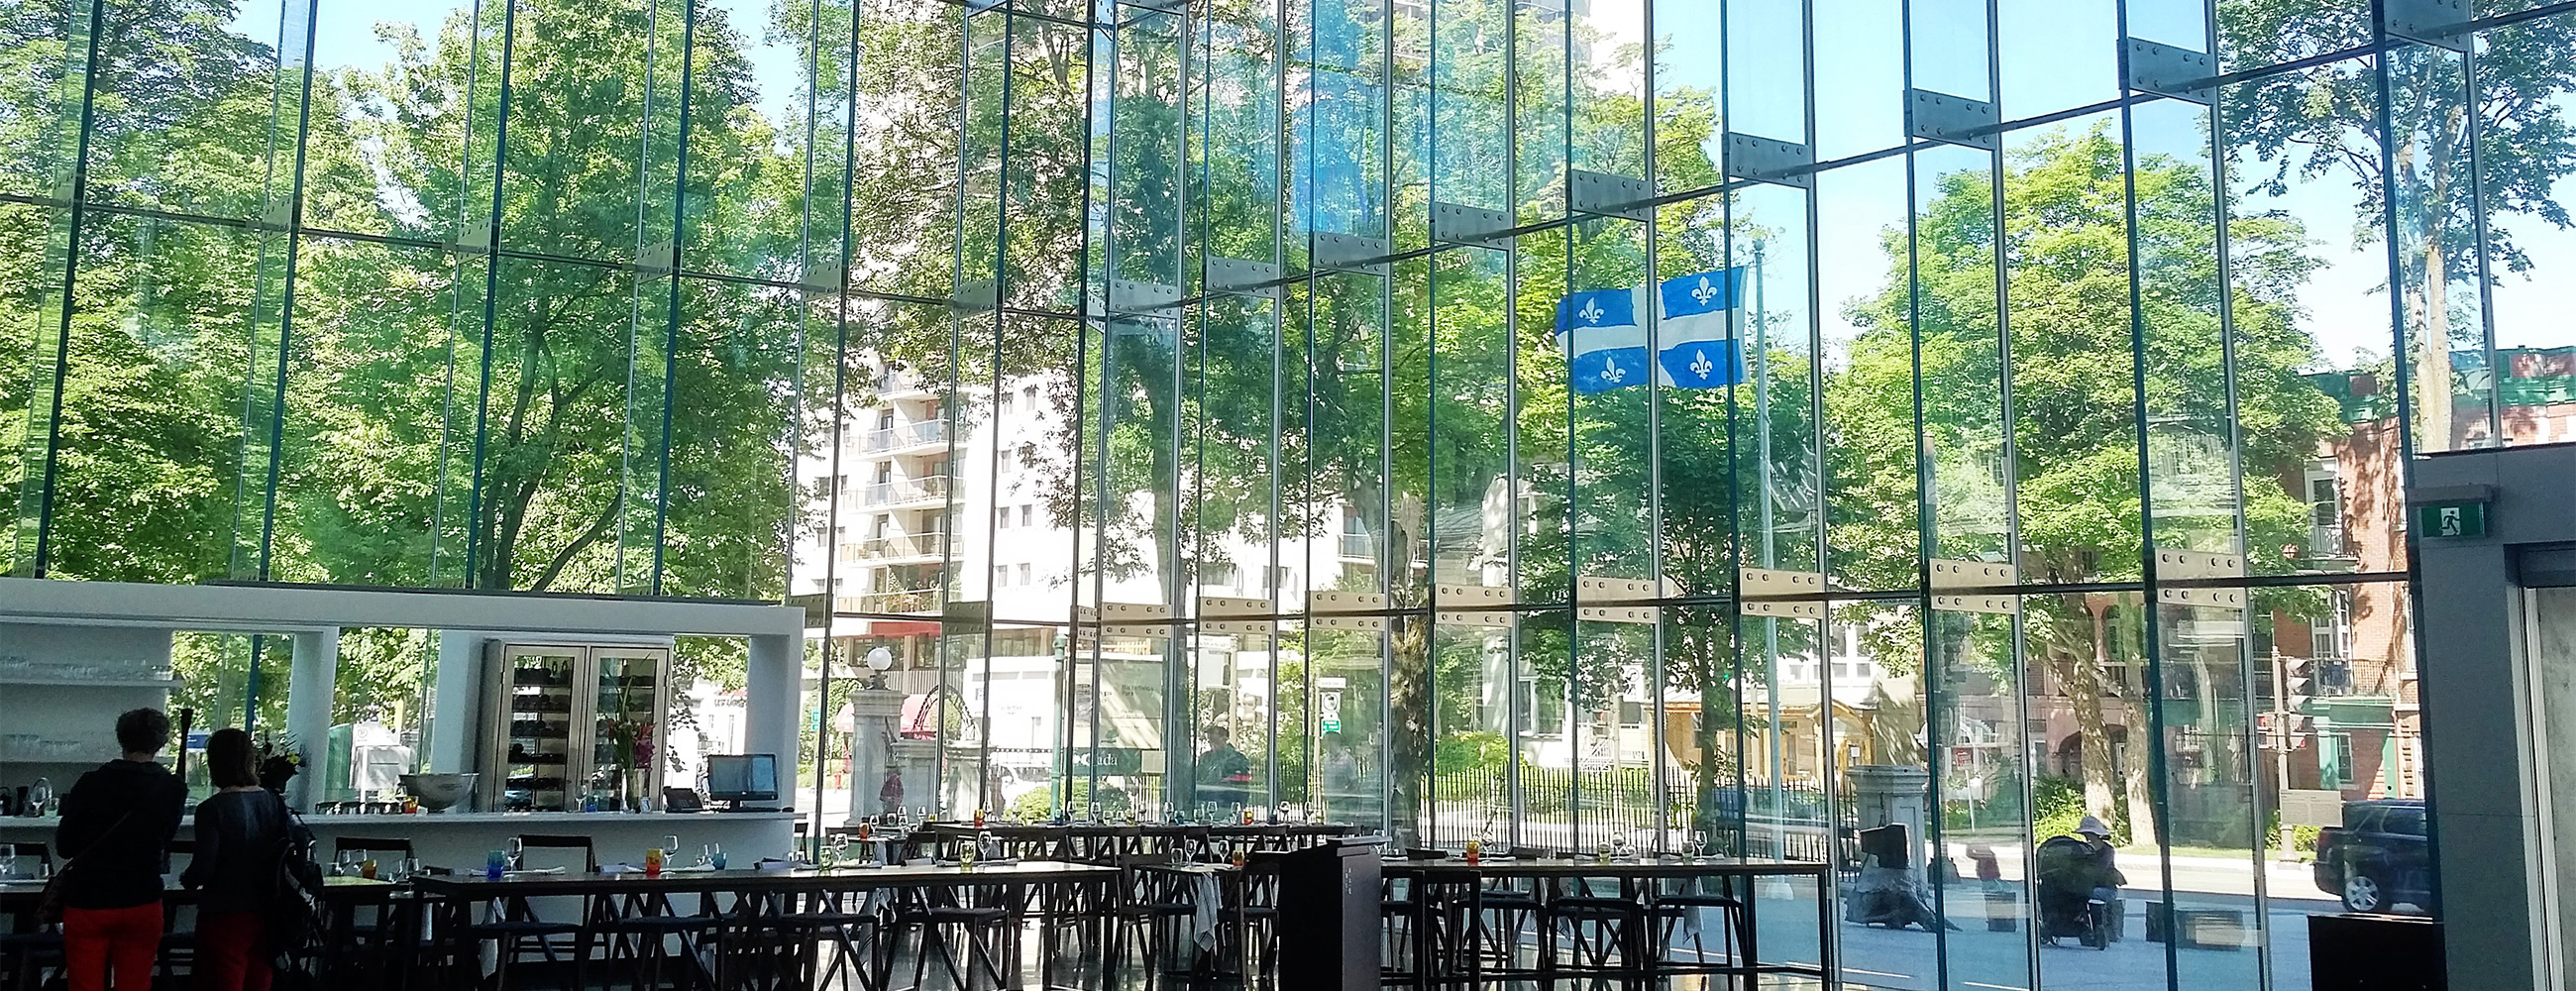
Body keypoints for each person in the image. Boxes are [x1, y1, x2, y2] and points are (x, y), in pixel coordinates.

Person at [54, 709, 187, 991]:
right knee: (135, 983)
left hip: (89, 899)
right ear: (160, 743)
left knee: (84, 984)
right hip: (143, 898)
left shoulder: (91, 783)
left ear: (121, 739)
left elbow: (65, 846)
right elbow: (166, 839)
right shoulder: (172, 787)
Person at [182, 728, 290, 991]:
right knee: (260, 977)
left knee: (224, 978)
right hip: (269, 908)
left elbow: (204, 868)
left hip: (225, 910)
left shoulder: (212, 809)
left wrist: (187, 879)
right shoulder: (273, 802)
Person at [1194, 726, 1253, 812]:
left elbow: (1243, 784)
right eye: (1210, 741)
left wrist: (1241, 806)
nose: (1212, 744)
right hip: (1205, 803)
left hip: (1227, 803)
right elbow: (1198, 777)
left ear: (1224, 739)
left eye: (1215, 741)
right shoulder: (1205, 758)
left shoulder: (1238, 759)